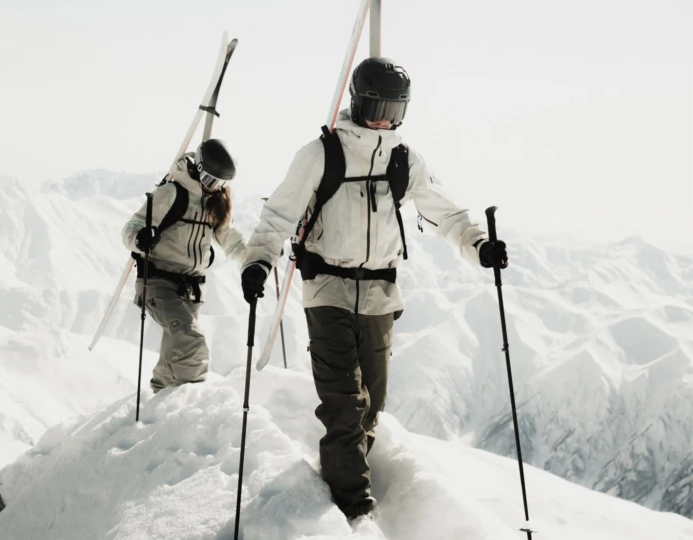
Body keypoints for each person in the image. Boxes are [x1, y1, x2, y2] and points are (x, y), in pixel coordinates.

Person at [239, 57, 509, 519]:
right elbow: (278, 216)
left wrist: (479, 245)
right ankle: (355, 513)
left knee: (371, 406)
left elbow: (446, 212)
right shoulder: (320, 154)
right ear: (359, 101)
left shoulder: (404, 159)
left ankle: (338, 481)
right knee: (345, 403)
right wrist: (258, 262)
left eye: (396, 108)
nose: (386, 117)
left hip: (381, 295)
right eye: (379, 104)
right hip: (327, 288)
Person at [122, 138, 247, 393]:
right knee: (192, 346)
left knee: (172, 360)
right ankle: (192, 408)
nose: (216, 188)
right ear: (198, 168)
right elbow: (130, 229)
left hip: (191, 290)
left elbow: (229, 238)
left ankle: (158, 409)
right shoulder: (170, 193)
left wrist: (255, 261)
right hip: (158, 283)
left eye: (222, 184)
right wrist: (141, 238)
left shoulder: (215, 201)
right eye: (212, 181)